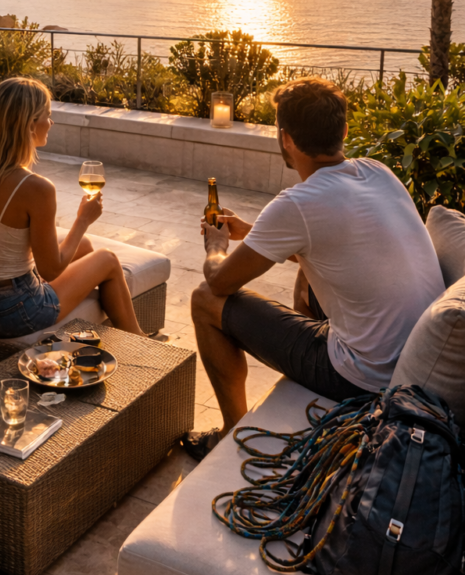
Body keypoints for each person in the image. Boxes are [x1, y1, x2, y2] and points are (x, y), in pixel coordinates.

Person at [188, 75, 444, 460]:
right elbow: (328, 241)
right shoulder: (378, 172)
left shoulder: (297, 204)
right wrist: (255, 233)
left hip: (364, 378)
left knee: (204, 299)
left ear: (286, 139)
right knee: (306, 269)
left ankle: (228, 433)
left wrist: (217, 245)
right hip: (413, 359)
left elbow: (220, 281)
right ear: (343, 129)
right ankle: (301, 376)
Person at [0, 76, 145, 338]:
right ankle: (141, 343)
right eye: (47, 115)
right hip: (13, 311)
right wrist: (82, 220)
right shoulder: (36, 187)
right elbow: (51, 270)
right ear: (30, 124)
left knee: (86, 247)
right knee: (108, 259)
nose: (51, 122)